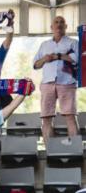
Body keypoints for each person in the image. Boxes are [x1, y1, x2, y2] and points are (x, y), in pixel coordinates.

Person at [33, 15, 79, 144]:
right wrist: (44, 59)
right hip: (47, 83)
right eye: (56, 22)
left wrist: (58, 56)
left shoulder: (73, 42)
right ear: (51, 27)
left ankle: (75, 150)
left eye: (61, 22)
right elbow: (35, 65)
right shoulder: (44, 45)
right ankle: (49, 152)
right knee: (46, 118)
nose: (59, 24)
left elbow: (78, 60)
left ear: (66, 27)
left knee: (70, 116)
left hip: (67, 83)